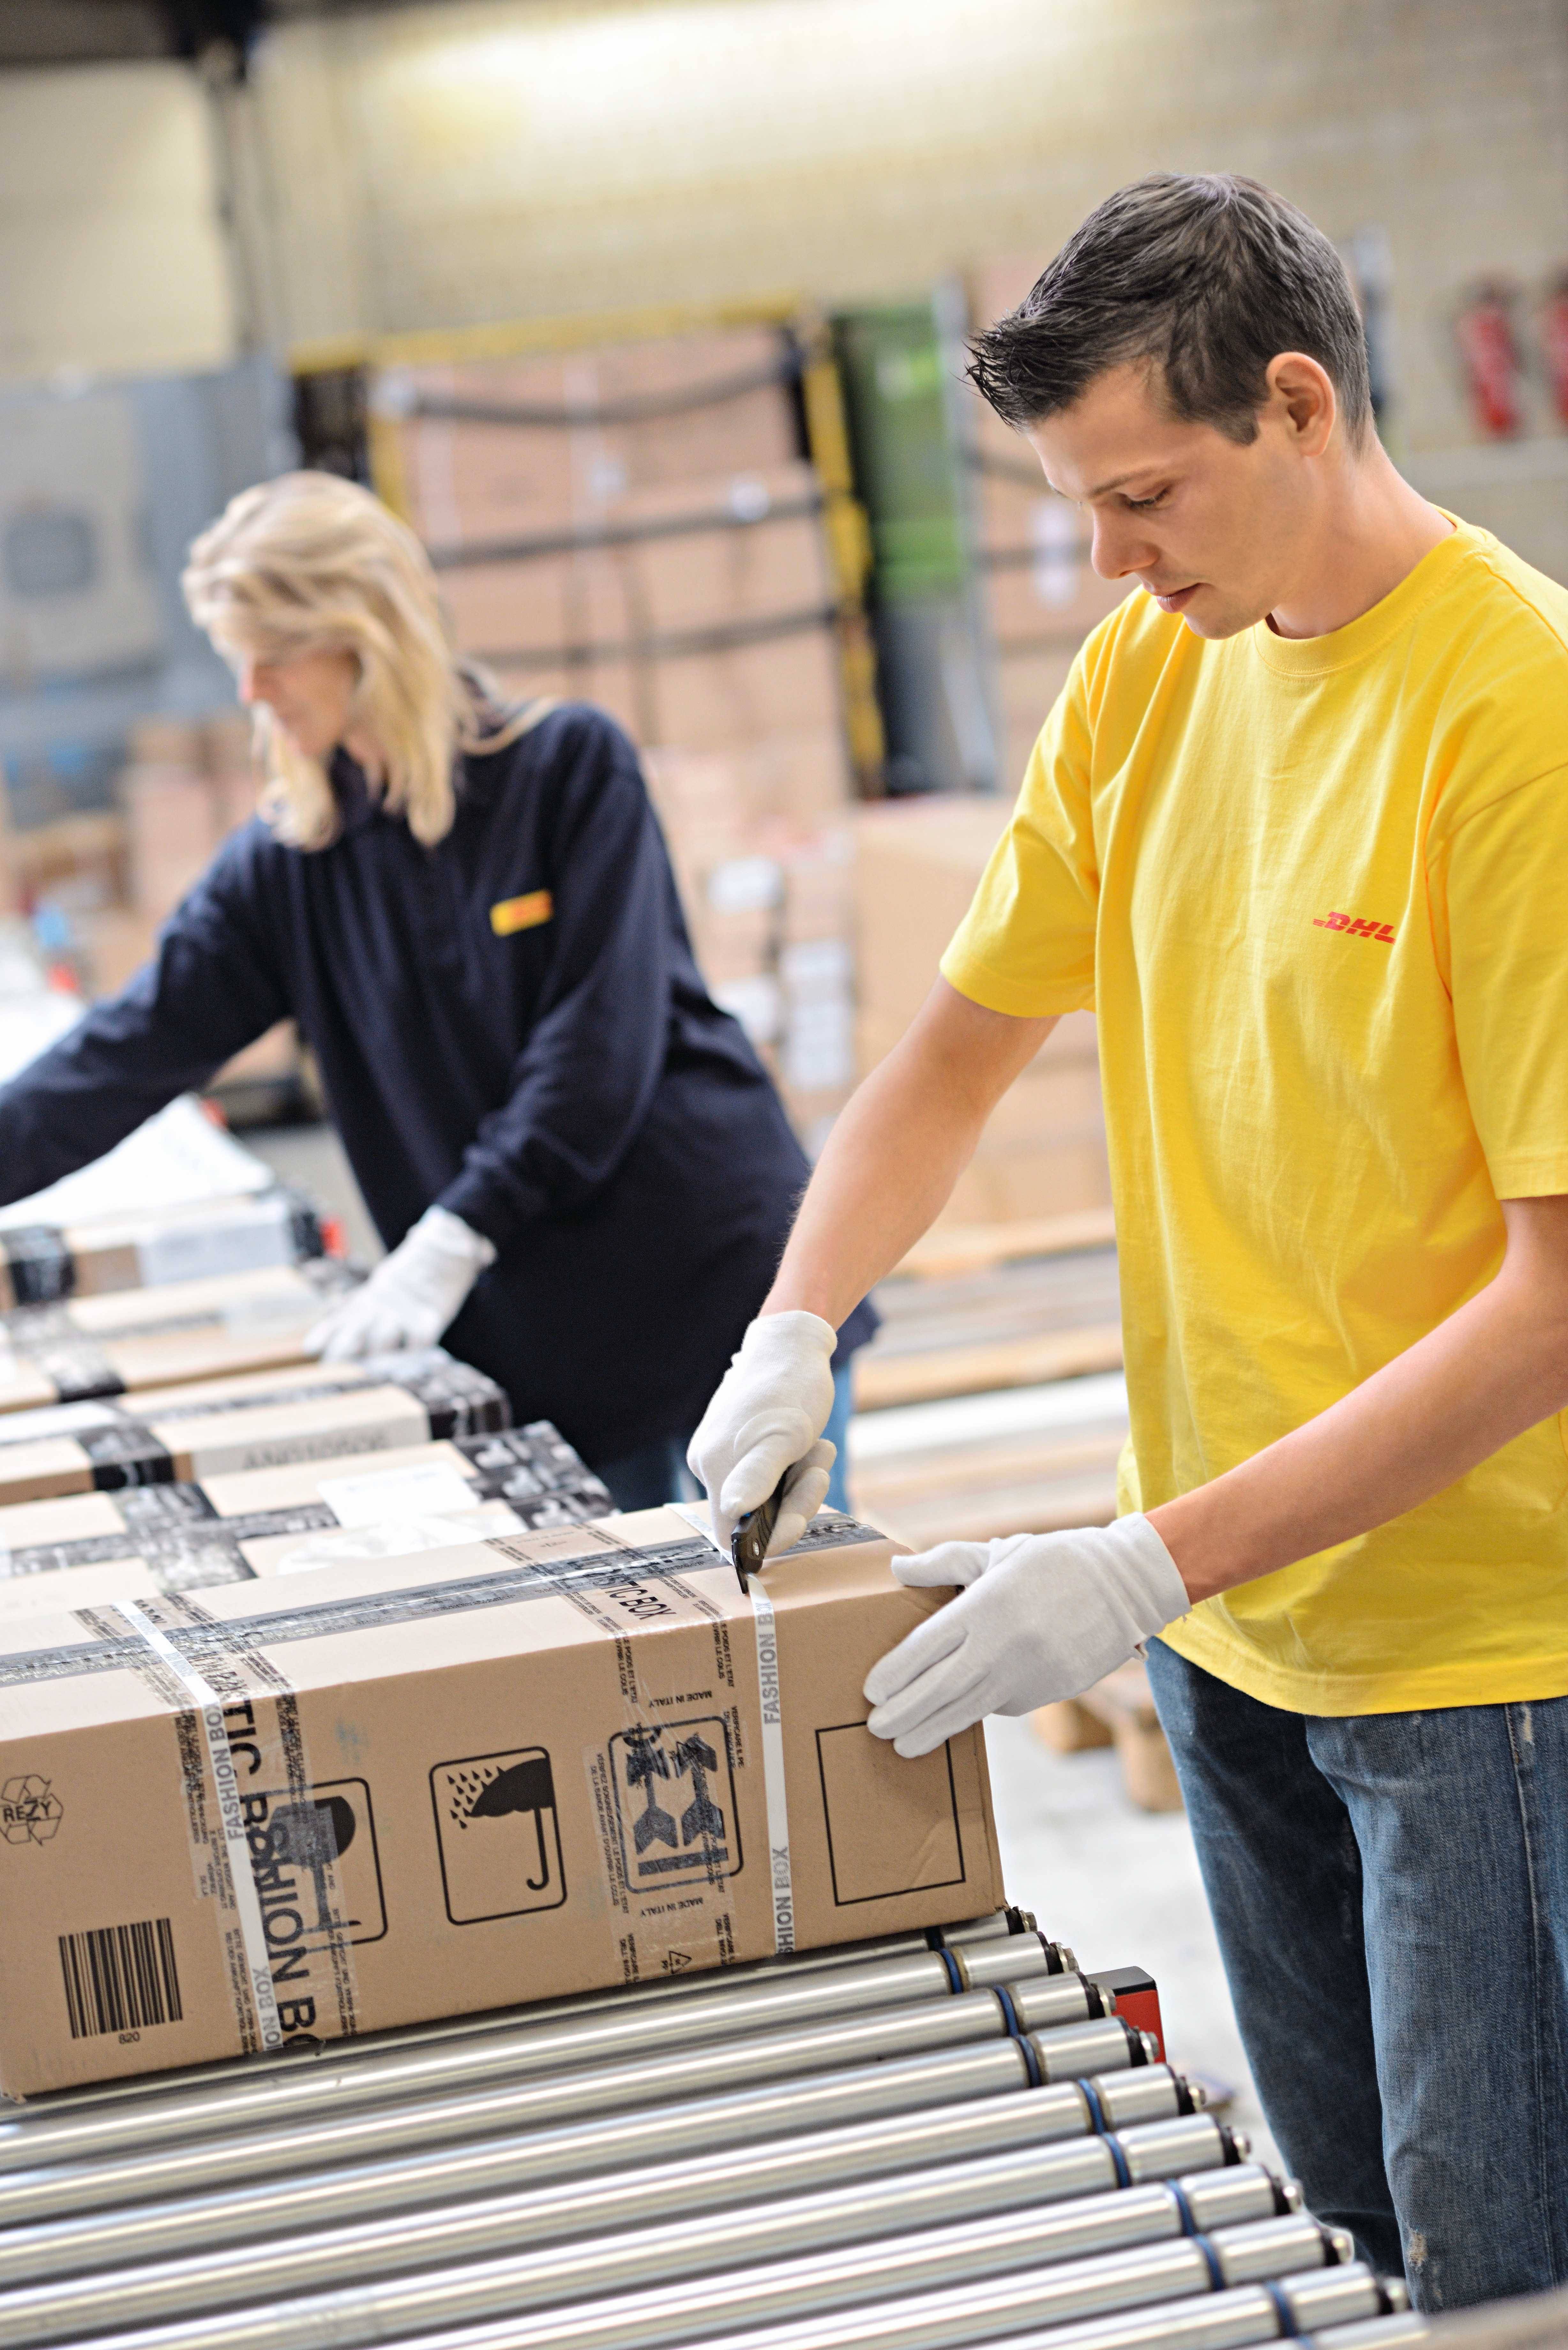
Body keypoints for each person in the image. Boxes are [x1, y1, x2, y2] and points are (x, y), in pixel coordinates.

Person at [690, 173, 1568, 2313]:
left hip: (1472, 1664)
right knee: (1344, 2236)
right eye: (1077, 506)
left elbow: (1553, 1302)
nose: (1105, 558)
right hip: (1218, 1635)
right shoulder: (1144, 680)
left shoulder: (1513, 713)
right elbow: (946, 1063)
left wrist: (1146, 1559)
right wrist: (796, 1326)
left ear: (1295, 404)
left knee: (1501, 2274)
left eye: (1142, 494)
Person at [0, 471, 872, 1506]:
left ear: (366, 634)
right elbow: (124, 1054)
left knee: (783, 1636)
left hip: (705, 1288)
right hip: (542, 1343)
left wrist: (455, 1232)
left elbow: (598, 1050)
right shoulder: (291, 866)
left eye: (273, 656)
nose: (252, 691)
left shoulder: (564, 772)